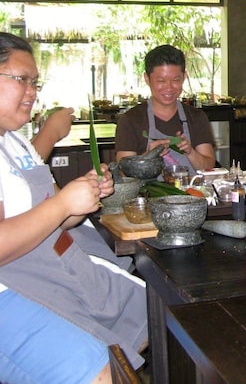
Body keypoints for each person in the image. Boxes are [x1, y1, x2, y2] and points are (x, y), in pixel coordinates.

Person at [0, 32, 148, 383]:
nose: (32, 91)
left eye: (35, 81)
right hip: (12, 290)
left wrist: (83, 197)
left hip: (52, 268)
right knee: (102, 371)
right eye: (21, 79)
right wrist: (65, 202)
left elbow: (60, 219)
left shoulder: (16, 140)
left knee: (152, 315)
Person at [115, 45, 216, 175]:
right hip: (146, 194)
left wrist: (191, 152)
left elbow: (208, 167)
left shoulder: (196, 117)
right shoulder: (130, 120)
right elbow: (123, 173)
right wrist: (148, 157)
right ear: (147, 79)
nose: (169, 88)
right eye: (161, 81)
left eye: (175, 80)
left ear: (184, 77)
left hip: (192, 193)